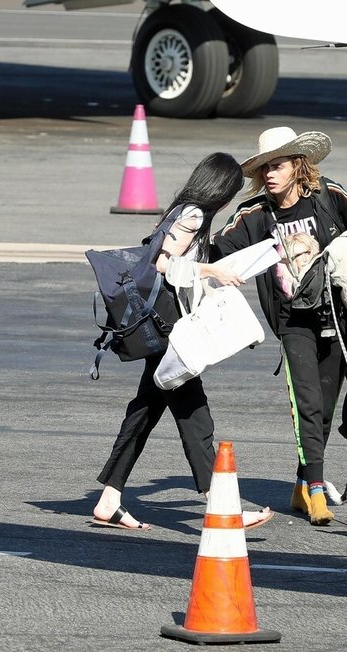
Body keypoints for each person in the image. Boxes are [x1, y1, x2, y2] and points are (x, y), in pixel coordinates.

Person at [211, 127, 347, 526]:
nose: (270, 175)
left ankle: (300, 483)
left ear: (298, 165)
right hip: (293, 321)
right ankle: (316, 489)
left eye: (277, 166)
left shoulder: (329, 197)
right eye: (265, 169)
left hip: (337, 318)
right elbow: (218, 250)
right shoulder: (257, 215)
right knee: (307, 404)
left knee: (326, 411)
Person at [91, 152, 272, 531]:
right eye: (230, 194)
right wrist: (212, 270)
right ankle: (222, 505)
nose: (228, 203)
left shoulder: (182, 210)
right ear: (220, 191)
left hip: (166, 329)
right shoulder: (192, 214)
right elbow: (159, 262)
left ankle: (110, 498)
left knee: (145, 410)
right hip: (170, 331)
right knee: (195, 415)